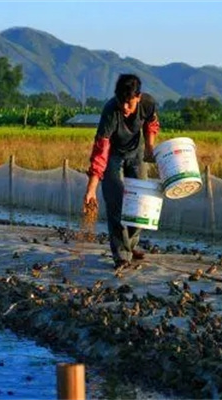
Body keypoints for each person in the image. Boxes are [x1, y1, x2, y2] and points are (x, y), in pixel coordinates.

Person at [83, 73, 160, 269]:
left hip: (137, 153)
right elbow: (101, 150)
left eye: (129, 103)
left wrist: (150, 147)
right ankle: (121, 255)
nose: (125, 108)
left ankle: (131, 245)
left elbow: (151, 124)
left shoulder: (147, 103)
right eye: (121, 102)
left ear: (138, 97)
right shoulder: (110, 111)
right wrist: (91, 189)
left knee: (141, 203)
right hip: (113, 155)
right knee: (115, 202)